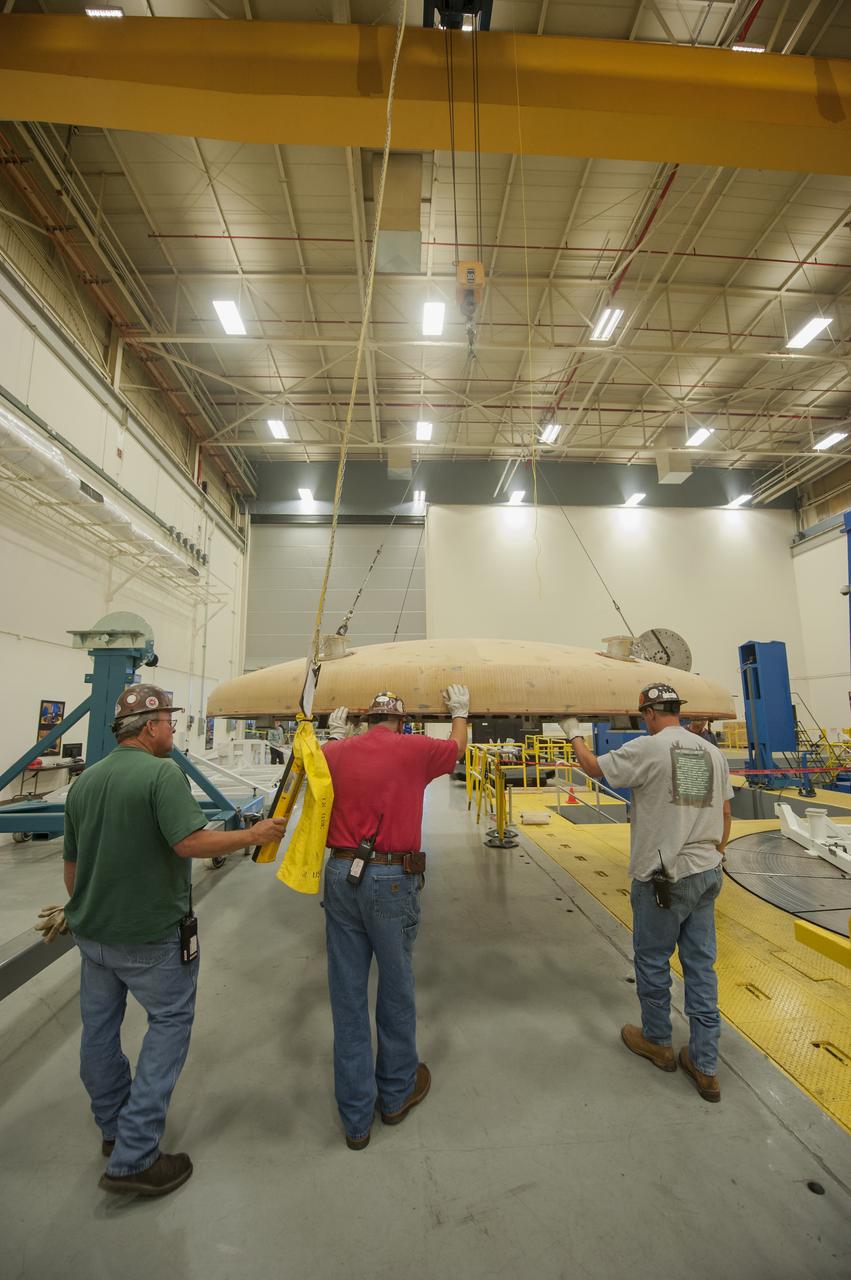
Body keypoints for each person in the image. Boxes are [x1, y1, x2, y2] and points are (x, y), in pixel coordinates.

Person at [60, 684, 286, 1197]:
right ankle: (136, 1156)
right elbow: (190, 842)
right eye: (169, 722)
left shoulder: (85, 781)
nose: (173, 730)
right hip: (151, 936)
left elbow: (72, 870)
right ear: (150, 727)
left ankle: (113, 1129)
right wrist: (254, 835)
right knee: (169, 1024)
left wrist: (92, 911)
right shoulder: (161, 773)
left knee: (99, 1032)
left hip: (93, 936)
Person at [562, 683, 732, 1103]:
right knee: (701, 966)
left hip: (662, 879)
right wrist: (714, 853)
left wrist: (573, 732)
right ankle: (706, 1064)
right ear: (678, 710)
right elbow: (726, 813)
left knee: (653, 960)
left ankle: (657, 1041)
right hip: (707, 872)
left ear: (650, 714)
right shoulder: (711, 752)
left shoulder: (649, 747)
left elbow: (593, 767)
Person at [320, 684, 470, 1149]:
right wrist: (461, 713)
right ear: (402, 722)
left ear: (365, 720)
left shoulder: (335, 753)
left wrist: (332, 739)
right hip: (390, 878)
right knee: (396, 984)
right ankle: (397, 1093)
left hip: (340, 873)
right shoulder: (415, 748)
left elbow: (312, 775)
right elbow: (457, 749)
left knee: (347, 994)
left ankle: (355, 1120)